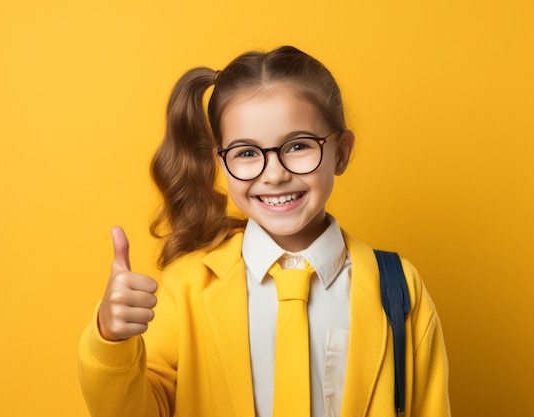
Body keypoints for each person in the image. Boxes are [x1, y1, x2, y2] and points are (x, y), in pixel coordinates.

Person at [77, 46, 451, 417]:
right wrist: (111, 340)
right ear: (221, 165)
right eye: (246, 153)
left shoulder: (399, 287)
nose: (274, 174)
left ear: (341, 152)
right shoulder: (187, 288)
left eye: (299, 145)